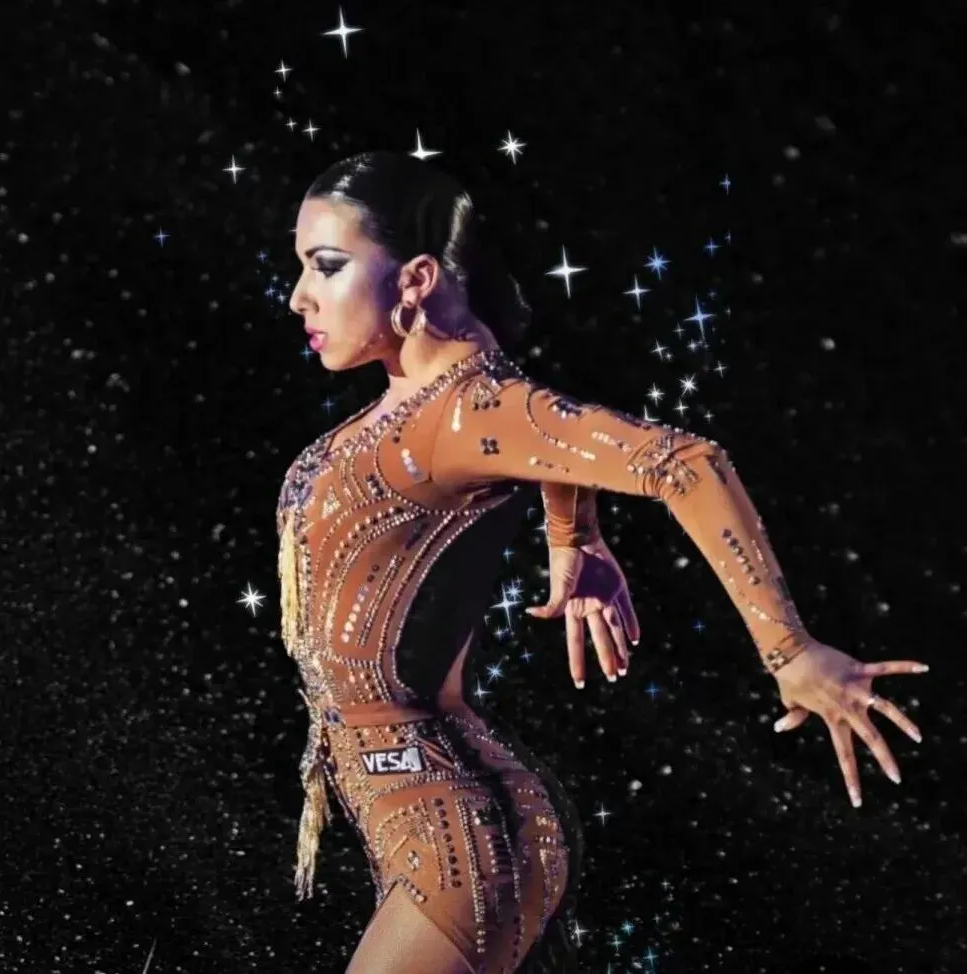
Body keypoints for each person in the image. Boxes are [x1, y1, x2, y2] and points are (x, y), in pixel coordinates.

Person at [277, 151, 928, 973]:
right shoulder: (438, 406)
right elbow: (542, 439)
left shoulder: (464, 410)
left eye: (326, 266)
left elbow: (686, 463)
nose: (299, 295)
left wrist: (789, 650)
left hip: (457, 833)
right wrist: (572, 535)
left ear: (416, 278)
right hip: (419, 818)